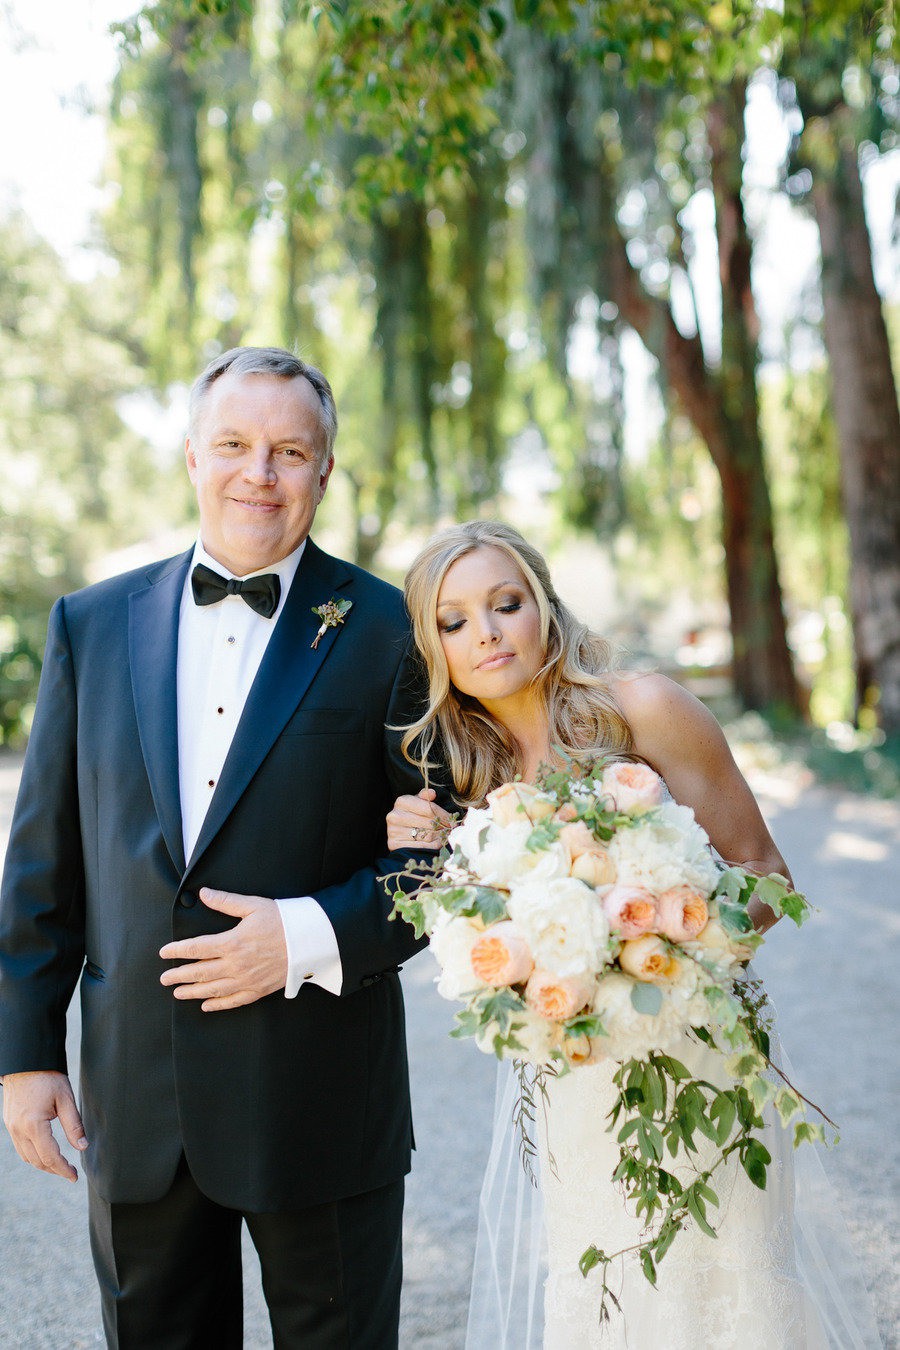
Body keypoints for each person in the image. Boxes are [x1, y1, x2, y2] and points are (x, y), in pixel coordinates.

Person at [0, 346, 431, 1349]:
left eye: (291, 451)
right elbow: (42, 864)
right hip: (140, 1097)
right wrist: (24, 1056)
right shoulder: (89, 626)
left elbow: (444, 855)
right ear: (192, 455)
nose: (260, 473)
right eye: (234, 444)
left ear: (325, 471)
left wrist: (311, 934)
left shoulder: (394, 631)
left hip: (322, 1094)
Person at [387, 520, 881, 1349]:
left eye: (506, 604)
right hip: (573, 1082)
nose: (488, 632)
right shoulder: (477, 767)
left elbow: (766, 876)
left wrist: (648, 955)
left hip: (697, 1065)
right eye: (455, 620)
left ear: (543, 604)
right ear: (435, 647)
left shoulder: (643, 708)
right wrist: (441, 859)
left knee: (727, 1293)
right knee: (603, 1295)